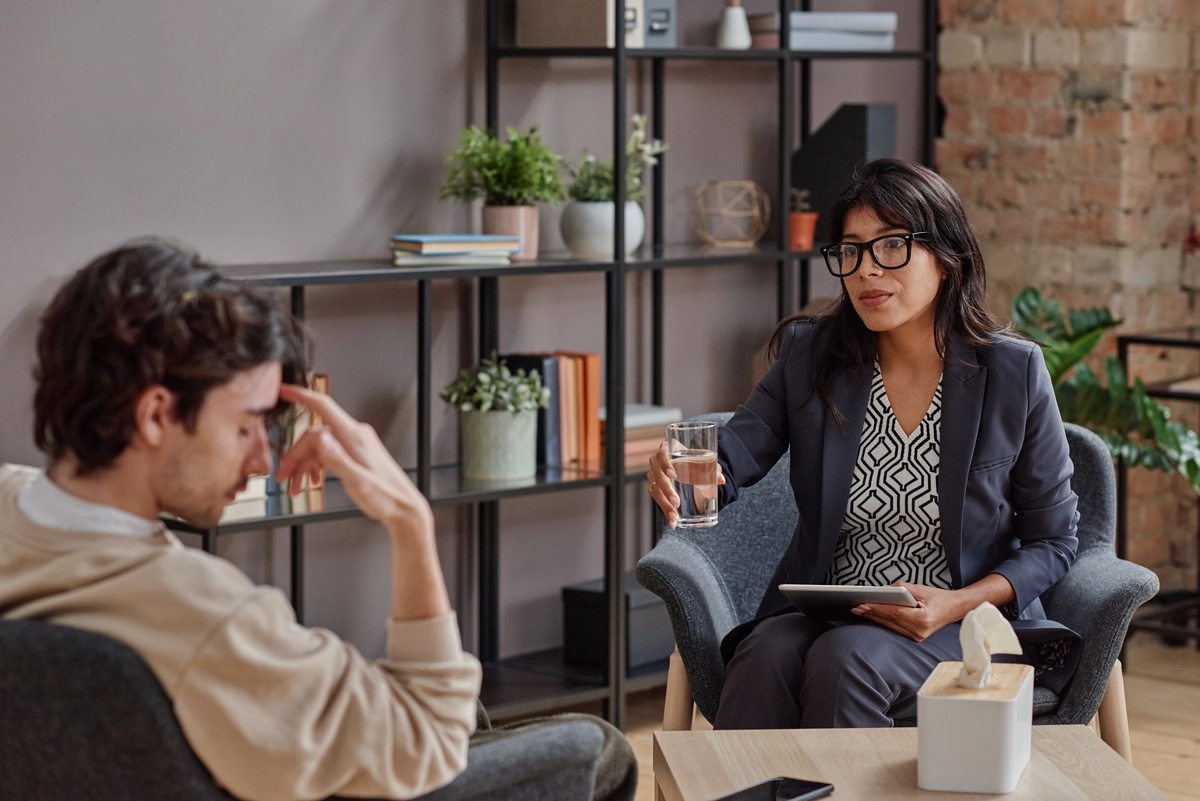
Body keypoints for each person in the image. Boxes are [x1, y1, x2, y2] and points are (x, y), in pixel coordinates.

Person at [0, 238, 636, 801]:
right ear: (156, 415)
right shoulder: (211, 620)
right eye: (248, 424)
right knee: (599, 746)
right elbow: (433, 747)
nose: (263, 456)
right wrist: (410, 522)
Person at [647, 158, 1082, 729]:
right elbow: (732, 455)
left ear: (946, 258)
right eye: (851, 251)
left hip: (963, 621)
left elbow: (1053, 542)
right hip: (829, 611)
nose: (866, 271)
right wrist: (688, 469)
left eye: (891, 246)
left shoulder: (1011, 372)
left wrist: (956, 602)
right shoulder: (813, 357)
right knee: (764, 655)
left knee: (846, 659)